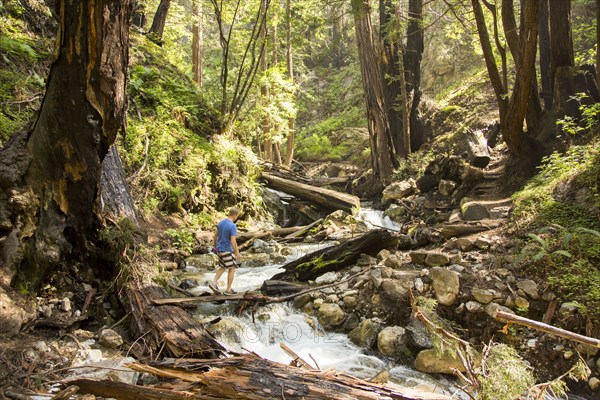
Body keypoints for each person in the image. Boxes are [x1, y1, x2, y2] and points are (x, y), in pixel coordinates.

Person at [209, 207, 241, 295]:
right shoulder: (232, 226)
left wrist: (215, 247)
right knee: (232, 268)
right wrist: (237, 252)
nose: (236, 218)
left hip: (219, 249)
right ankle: (228, 289)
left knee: (223, 267)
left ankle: (214, 282)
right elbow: (233, 241)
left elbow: (215, 236)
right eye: (237, 216)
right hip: (227, 250)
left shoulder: (221, 223)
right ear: (234, 215)